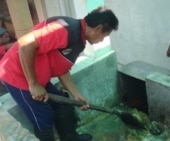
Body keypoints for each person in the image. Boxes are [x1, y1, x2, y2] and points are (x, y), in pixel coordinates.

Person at [0, 6, 119, 141]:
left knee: (62, 105)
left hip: (38, 76)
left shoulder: (79, 40)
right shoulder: (65, 29)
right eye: (104, 36)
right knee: (44, 116)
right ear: (98, 28)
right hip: (17, 75)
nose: (102, 40)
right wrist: (33, 84)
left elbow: (62, 69)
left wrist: (76, 95)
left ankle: (70, 137)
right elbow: (25, 43)